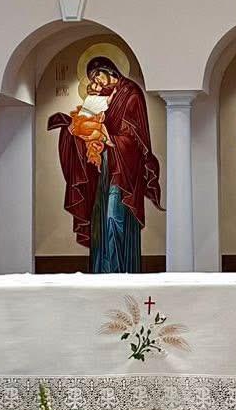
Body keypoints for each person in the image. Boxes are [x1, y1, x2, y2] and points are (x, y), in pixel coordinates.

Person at [47, 57, 161, 272]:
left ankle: (118, 272)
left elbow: (136, 138)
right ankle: (102, 272)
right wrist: (73, 129)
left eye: (97, 76)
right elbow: (90, 126)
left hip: (124, 169)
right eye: (92, 79)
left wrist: (107, 137)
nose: (96, 82)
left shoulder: (131, 93)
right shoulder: (102, 98)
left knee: (113, 219)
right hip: (105, 169)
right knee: (99, 222)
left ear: (108, 70)